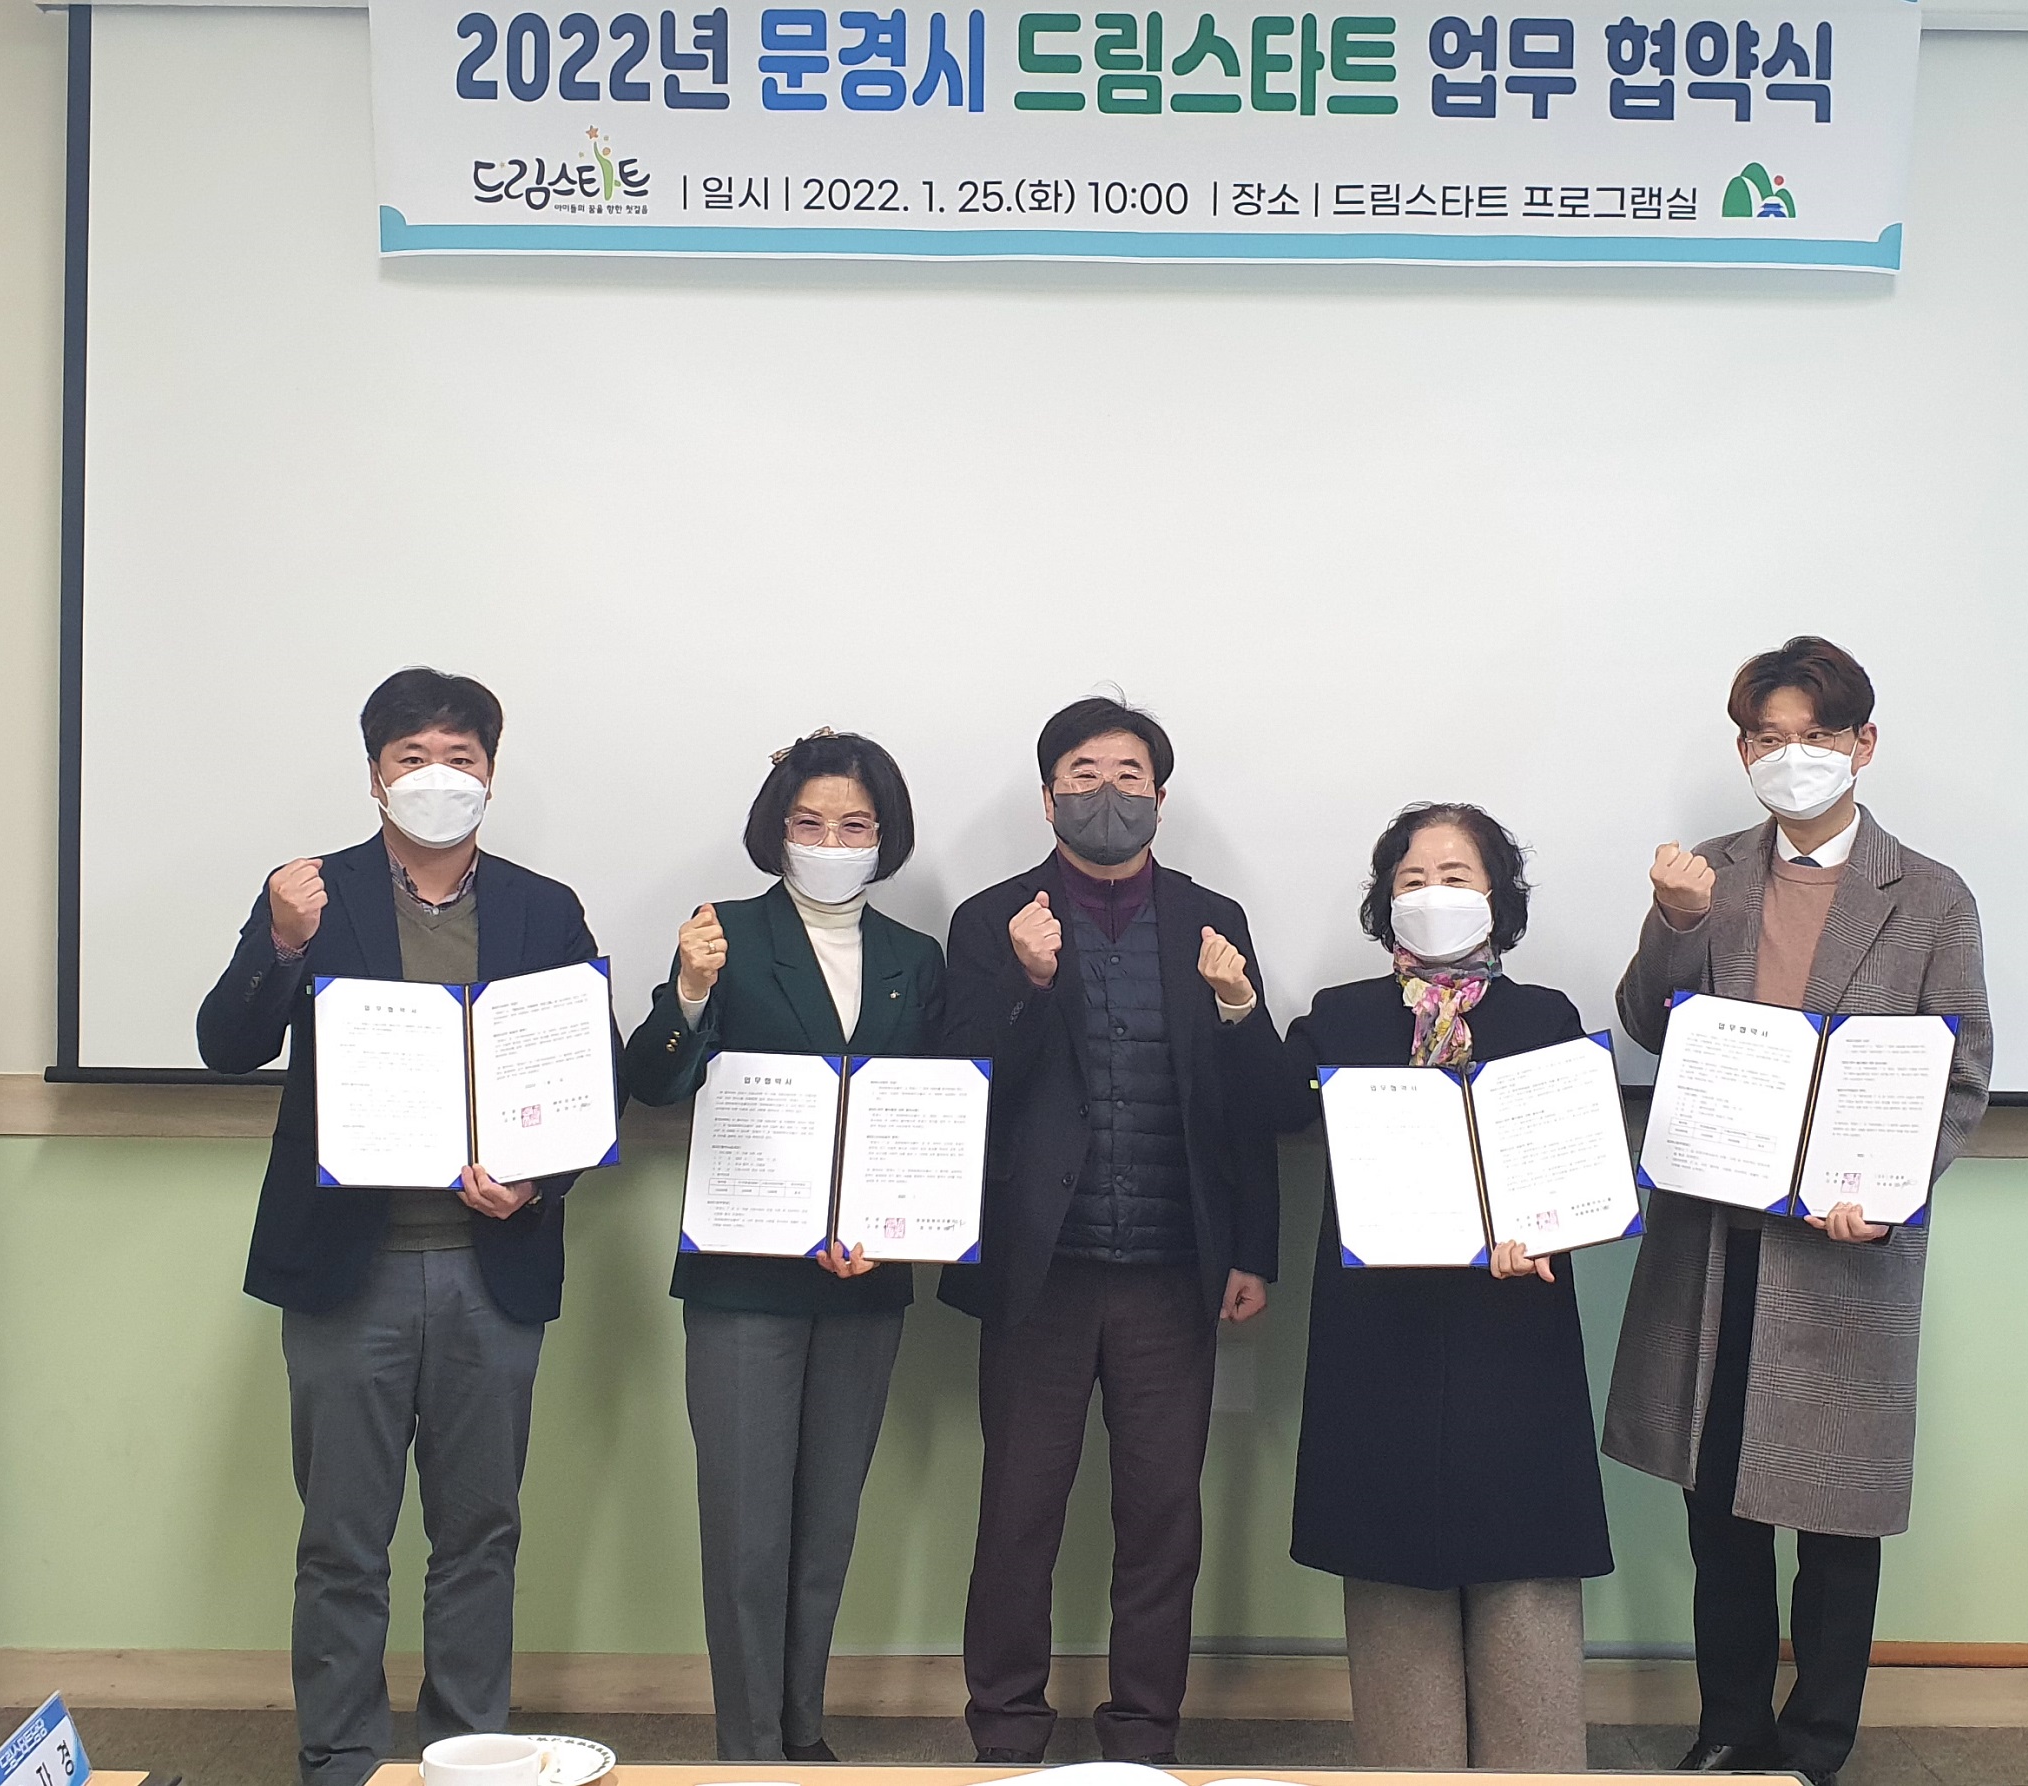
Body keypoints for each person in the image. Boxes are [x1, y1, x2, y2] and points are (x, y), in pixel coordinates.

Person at [197, 668, 610, 1786]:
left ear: (491, 774)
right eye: (412, 758)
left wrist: (537, 1183)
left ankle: (466, 1752)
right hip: (349, 1268)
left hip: (491, 1267)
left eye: (459, 759)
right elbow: (227, 1045)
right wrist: (281, 944)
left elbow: (587, 1080)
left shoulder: (543, 907)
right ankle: (340, 1757)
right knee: (342, 1538)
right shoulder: (311, 893)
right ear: (375, 775)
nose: (438, 777)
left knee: (479, 1534)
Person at [1603, 636, 1992, 1786]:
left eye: (1816, 735)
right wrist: (1673, 921)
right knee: (1718, 1509)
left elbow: (1960, 1073)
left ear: (1862, 744)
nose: (1792, 756)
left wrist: (1891, 1189)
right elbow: (1647, 1022)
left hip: (1844, 1253)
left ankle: (1817, 1743)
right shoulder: (1708, 873)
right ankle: (1730, 1726)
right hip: (1716, 1245)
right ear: (1743, 751)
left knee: (1837, 1522)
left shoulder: (1929, 895)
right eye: (1768, 737)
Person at [940, 695, 1282, 1766]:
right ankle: (1006, 1732)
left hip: (1174, 1272)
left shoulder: (1211, 918)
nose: (1106, 793)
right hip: (1038, 1272)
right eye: (1082, 774)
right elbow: (960, 1083)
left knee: (1162, 1517)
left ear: (1160, 799)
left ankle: (1141, 1735)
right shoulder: (992, 919)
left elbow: (1252, 1106)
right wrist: (1026, 983)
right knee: (1018, 1513)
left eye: (1128, 775)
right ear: (1047, 799)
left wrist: (1254, 1248)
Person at [619, 728, 945, 1765]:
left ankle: (804, 1735)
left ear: (884, 836)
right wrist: (688, 992)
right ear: (777, 829)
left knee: (826, 1526)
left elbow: (926, 1113)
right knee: (746, 1533)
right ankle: (750, 1750)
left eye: (854, 825)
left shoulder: (915, 958)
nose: (831, 842)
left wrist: (896, 1229)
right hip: (742, 1280)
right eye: (810, 823)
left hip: (863, 1278)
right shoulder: (722, 933)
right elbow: (654, 1082)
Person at [1275, 802, 1613, 1771]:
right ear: (1383, 901)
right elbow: (1267, 1109)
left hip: (1514, 1336)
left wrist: (1544, 1227)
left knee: (1526, 1576)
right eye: (1412, 879)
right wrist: (1235, 1009)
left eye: (1456, 876)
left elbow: (1575, 1166)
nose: (1433, 894)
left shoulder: (1545, 1017)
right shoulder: (1339, 1016)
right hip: (1377, 1340)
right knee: (1391, 1577)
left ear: (1498, 896)